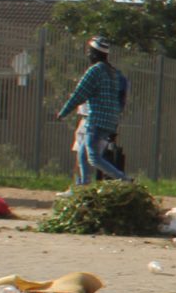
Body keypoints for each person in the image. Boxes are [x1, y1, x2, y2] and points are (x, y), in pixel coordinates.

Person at [55, 38, 130, 185]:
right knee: (83, 154)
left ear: (95, 54)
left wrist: (63, 113)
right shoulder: (113, 73)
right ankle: (83, 186)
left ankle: (124, 179)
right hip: (110, 120)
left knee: (93, 157)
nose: (88, 55)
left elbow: (79, 94)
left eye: (90, 52)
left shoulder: (95, 71)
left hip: (96, 120)